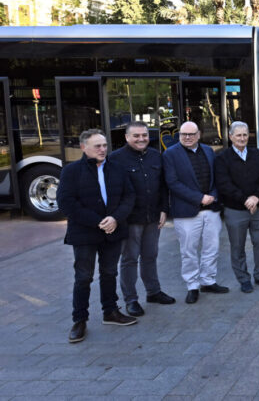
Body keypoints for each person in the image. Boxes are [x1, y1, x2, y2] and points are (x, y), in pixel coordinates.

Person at [58, 129, 137, 343]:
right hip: (85, 233)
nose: (103, 149)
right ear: (84, 148)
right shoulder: (71, 171)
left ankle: (110, 312)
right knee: (83, 277)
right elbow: (67, 203)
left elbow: (129, 196)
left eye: (104, 145)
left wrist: (115, 219)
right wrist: (98, 222)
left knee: (109, 272)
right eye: (97, 146)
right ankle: (79, 320)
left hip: (113, 230)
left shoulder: (117, 168)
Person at [108, 121, 175, 317]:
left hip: (153, 217)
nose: (141, 139)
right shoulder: (116, 159)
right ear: (127, 137)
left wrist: (164, 209)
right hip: (130, 220)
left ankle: (153, 292)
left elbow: (163, 186)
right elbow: (114, 193)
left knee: (150, 256)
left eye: (144, 135)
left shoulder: (155, 155)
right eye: (136, 136)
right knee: (129, 259)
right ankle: (131, 300)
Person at [164, 121, 227, 304]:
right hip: (187, 212)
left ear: (199, 134)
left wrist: (213, 196)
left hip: (211, 209)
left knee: (212, 248)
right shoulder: (170, 154)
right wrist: (199, 198)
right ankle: (192, 285)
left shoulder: (208, 151)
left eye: (191, 134)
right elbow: (173, 183)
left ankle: (208, 280)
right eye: (184, 134)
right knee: (188, 251)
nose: (187, 137)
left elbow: (216, 177)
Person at [214, 121, 259, 293]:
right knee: (237, 246)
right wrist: (245, 200)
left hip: (258, 208)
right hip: (235, 210)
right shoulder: (222, 158)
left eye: (245, 135)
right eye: (238, 135)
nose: (242, 138)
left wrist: (256, 197)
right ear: (231, 136)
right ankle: (243, 279)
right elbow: (224, 184)